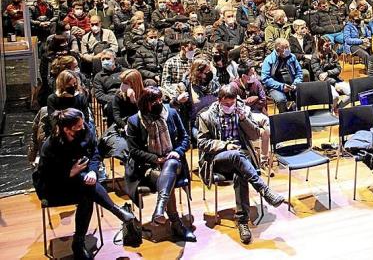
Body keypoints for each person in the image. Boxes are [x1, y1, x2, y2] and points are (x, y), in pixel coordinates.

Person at [33, 108, 135, 260]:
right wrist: (70, 172)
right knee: (86, 189)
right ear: (66, 129)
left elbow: (94, 153)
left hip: (80, 180)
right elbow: (46, 176)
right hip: (54, 187)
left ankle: (79, 243)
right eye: (78, 126)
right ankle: (115, 210)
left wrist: (93, 171)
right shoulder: (51, 146)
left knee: (87, 191)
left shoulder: (85, 130)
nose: (83, 127)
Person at [197, 85, 285, 244]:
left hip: (241, 159)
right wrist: (225, 146)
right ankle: (264, 190)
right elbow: (202, 143)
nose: (230, 107)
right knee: (237, 156)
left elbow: (254, 135)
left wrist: (244, 119)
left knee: (240, 174)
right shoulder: (206, 116)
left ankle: (242, 222)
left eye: (232, 103)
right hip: (218, 158)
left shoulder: (243, 111)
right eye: (226, 104)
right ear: (219, 101)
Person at [124, 86, 196, 241]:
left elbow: (185, 138)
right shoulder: (134, 121)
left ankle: (160, 210)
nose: (159, 103)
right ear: (145, 103)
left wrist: (177, 151)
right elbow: (133, 151)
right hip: (149, 166)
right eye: (154, 101)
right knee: (166, 179)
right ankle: (175, 223)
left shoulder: (171, 113)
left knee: (170, 165)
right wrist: (155, 159)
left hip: (174, 160)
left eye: (160, 100)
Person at [261, 38, 303, 112]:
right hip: (276, 88)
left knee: (301, 95)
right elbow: (265, 78)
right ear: (278, 49)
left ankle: (297, 116)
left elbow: (299, 73)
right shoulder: (269, 60)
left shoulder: (292, 57)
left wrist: (296, 84)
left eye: (288, 47)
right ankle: (284, 119)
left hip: (292, 85)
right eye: (285, 48)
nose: (288, 49)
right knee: (281, 100)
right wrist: (281, 86)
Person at [311, 37, 351, 108]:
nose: (329, 47)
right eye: (327, 45)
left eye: (330, 45)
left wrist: (328, 73)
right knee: (335, 97)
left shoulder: (333, 54)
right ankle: (332, 111)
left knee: (352, 92)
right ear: (321, 46)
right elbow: (320, 76)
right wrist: (334, 83)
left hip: (336, 80)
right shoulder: (315, 57)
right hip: (323, 83)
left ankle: (338, 108)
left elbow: (338, 69)